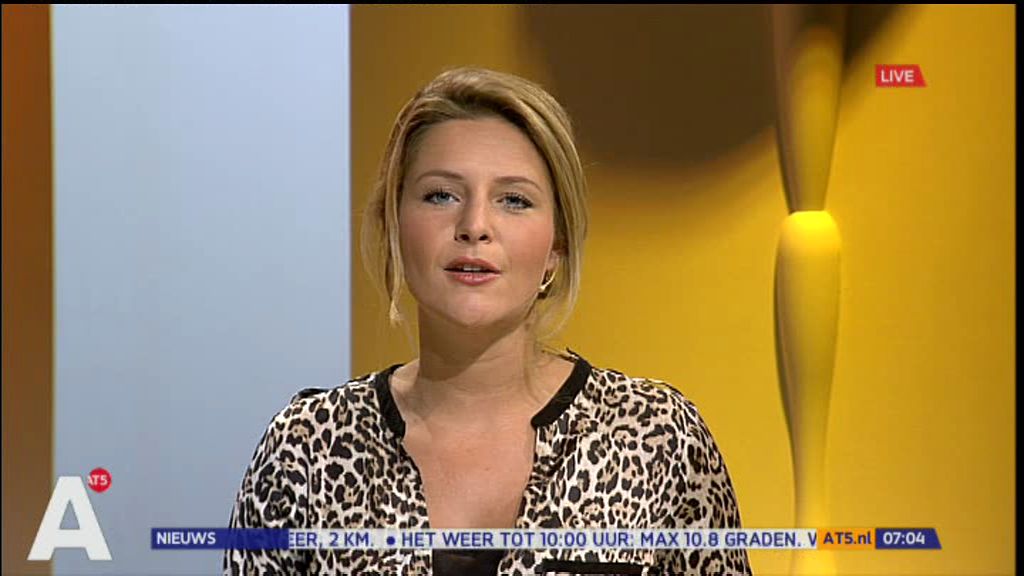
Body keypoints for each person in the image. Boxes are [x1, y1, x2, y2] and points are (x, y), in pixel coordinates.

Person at [225, 67, 752, 576]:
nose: (474, 226)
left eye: (514, 201)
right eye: (441, 195)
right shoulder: (308, 445)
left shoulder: (654, 437)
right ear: (394, 225)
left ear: (556, 245)